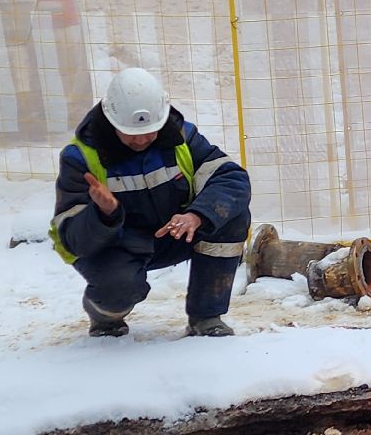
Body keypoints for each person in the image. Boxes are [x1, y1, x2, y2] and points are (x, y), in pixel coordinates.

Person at [49, 68, 251, 338]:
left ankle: (206, 317)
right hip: (114, 245)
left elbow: (232, 178)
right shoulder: (80, 157)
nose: (142, 139)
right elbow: (72, 240)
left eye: (150, 131)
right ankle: (105, 315)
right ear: (111, 121)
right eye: (131, 133)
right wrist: (105, 214)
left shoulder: (181, 137)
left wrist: (196, 215)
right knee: (120, 286)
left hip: (172, 232)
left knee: (229, 215)